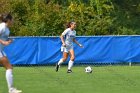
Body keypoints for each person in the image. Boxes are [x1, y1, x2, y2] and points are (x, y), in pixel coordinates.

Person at [0, 13, 22, 93]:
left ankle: (11, 89)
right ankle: (11, 89)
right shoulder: (2, 26)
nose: (13, 21)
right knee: (9, 67)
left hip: (1, 51)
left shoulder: (7, 29)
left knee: (9, 68)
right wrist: (3, 42)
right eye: (12, 19)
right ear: (8, 20)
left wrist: (8, 41)